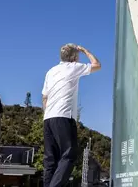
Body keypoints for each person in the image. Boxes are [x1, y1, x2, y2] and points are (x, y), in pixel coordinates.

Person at [42, 43, 101, 187]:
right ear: (74, 57)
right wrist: (85, 50)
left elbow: (44, 97)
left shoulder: (51, 71)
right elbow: (97, 65)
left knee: (50, 159)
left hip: (48, 117)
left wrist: (47, 114)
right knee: (69, 154)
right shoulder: (73, 67)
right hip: (63, 115)